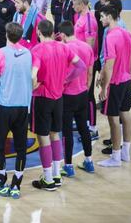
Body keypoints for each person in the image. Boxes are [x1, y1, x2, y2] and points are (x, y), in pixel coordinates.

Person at [30, 20, 86, 191]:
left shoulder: (37, 50)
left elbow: (33, 75)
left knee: (43, 136)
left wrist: (32, 86)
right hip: (59, 97)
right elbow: (81, 66)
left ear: (39, 32)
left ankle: (47, 178)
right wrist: (66, 79)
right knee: (55, 134)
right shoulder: (64, 47)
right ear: (53, 32)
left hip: (42, 97)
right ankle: (56, 174)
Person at [0, 22, 33, 199]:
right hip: (22, 107)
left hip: (4, 106)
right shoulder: (28, 53)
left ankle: (1, 181)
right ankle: (16, 186)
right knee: (21, 148)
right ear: (20, 37)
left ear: (6, 35)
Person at [97, 5, 131, 168]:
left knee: (113, 120)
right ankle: (126, 151)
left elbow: (109, 64)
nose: (100, 19)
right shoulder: (127, 33)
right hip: (126, 80)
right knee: (125, 114)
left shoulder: (110, 37)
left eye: (102, 16)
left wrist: (104, 87)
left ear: (110, 17)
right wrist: (130, 77)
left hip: (115, 83)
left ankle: (115, 156)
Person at [58, 21, 95, 177]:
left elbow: (61, 72)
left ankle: (68, 166)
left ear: (63, 34)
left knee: (66, 132)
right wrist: (86, 88)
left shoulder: (65, 48)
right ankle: (89, 161)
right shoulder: (87, 47)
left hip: (68, 95)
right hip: (82, 94)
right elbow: (90, 72)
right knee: (83, 129)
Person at [72, 0, 99, 139]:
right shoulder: (80, 16)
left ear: (82, 4)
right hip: (79, 62)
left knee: (88, 95)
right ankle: (85, 122)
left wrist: (84, 64)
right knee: (82, 94)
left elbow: (90, 45)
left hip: (87, 63)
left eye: (74, 4)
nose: (72, 6)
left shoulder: (89, 20)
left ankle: (93, 128)